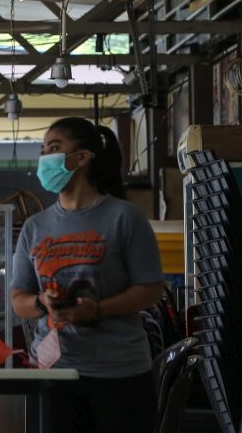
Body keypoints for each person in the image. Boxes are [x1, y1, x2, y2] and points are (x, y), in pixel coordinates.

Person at [11, 117, 164, 432]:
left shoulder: (124, 217)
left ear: (83, 157)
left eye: (54, 148)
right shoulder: (34, 227)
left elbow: (150, 289)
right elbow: (18, 299)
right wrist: (42, 302)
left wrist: (97, 309)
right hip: (54, 373)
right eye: (43, 150)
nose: (45, 158)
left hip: (119, 373)